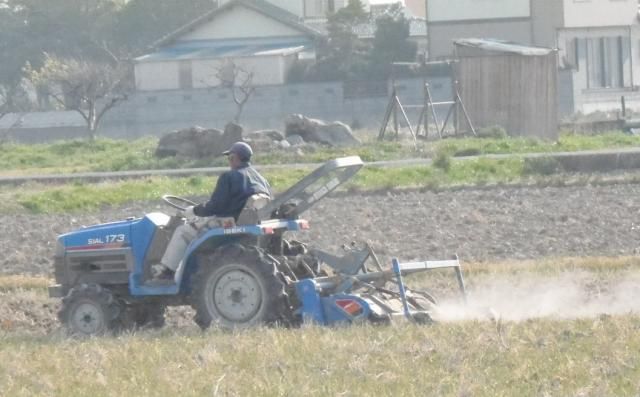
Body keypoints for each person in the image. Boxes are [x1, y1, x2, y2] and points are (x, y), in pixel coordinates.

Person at [152, 141, 272, 281]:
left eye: (229, 158)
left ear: (235, 158)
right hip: (246, 219)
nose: (229, 162)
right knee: (197, 224)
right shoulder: (261, 179)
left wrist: (194, 210)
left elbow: (215, 206)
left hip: (228, 222)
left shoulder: (229, 177)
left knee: (182, 231)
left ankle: (167, 272)